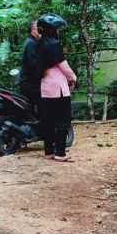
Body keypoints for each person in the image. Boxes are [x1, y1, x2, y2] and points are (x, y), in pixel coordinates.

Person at [37, 13, 76, 162]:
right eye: (57, 29)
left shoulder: (39, 44)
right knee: (63, 120)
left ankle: (49, 151)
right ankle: (60, 153)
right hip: (58, 87)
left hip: (46, 87)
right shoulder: (53, 44)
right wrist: (73, 77)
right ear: (52, 29)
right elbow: (63, 66)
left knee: (49, 121)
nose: (58, 31)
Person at [19, 20, 41, 108]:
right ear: (33, 30)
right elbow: (34, 65)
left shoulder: (32, 42)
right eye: (39, 29)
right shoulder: (31, 44)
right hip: (30, 84)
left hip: (29, 82)